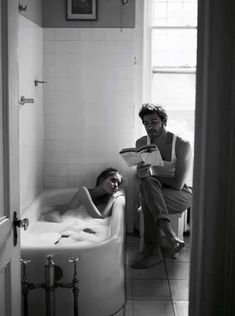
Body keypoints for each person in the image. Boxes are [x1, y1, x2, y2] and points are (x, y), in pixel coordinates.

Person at [132, 103, 192, 269]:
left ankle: (154, 251)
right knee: (147, 188)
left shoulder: (181, 144)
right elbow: (140, 176)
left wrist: (151, 178)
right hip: (155, 190)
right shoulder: (142, 143)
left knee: (147, 193)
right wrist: (142, 174)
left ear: (164, 122)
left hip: (180, 193)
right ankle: (170, 237)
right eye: (146, 123)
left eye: (154, 122)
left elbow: (178, 184)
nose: (149, 126)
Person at [44, 168, 124, 223]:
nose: (116, 185)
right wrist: (113, 198)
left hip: (70, 221)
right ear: (102, 180)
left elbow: (102, 217)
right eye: (113, 180)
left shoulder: (104, 199)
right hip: (54, 215)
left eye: (118, 183)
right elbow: (100, 217)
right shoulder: (83, 191)